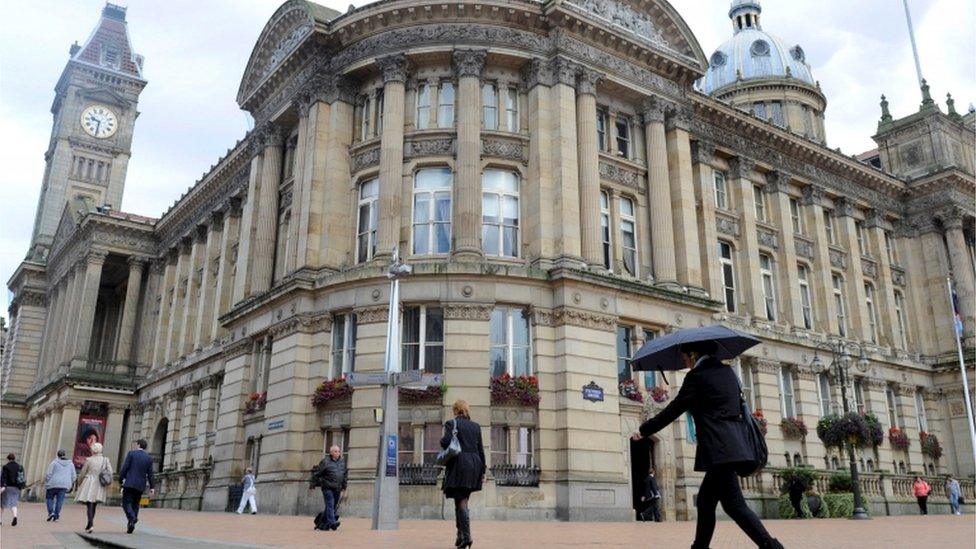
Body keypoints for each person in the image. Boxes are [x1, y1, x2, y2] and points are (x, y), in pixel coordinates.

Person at [632, 341, 783, 549]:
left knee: (734, 505)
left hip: (719, 449)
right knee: (706, 502)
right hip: (733, 446)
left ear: (693, 354)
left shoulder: (697, 376)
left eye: (685, 356)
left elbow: (674, 409)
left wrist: (644, 430)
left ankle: (772, 546)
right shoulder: (728, 373)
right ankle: (700, 547)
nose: (684, 361)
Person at [441, 399, 485, 549]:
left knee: (461, 501)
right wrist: (483, 471)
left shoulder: (451, 423)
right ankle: (460, 536)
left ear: (455, 410)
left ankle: (466, 537)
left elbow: (445, 442)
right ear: (467, 410)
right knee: (461, 498)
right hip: (474, 465)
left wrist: (445, 439)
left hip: (459, 464)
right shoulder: (475, 426)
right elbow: (481, 450)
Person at [118, 439, 155, 533]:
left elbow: (125, 468)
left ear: (138, 445)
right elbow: (150, 474)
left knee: (126, 503)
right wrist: (152, 487)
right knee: (135, 504)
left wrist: (120, 479)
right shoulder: (149, 458)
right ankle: (131, 525)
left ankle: (133, 518)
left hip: (129, 483)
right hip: (140, 485)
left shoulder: (131, 454)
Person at [75, 442, 112, 533]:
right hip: (99, 483)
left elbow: (83, 472)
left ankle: (90, 523)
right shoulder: (105, 460)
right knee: (94, 504)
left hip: (89, 482)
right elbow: (110, 471)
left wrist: (79, 482)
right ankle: (89, 523)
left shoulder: (89, 460)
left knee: (89, 504)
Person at [314, 446, 347, 531]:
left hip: (337, 488)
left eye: (338, 451)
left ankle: (320, 523)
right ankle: (332, 523)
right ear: (331, 452)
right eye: (335, 451)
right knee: (330, 504)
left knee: (331, 506)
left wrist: (344, 486)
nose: (337, 453)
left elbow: (344, 475)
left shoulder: (342, 462)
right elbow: (317, 473)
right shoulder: (325, 462)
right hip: (327, 488)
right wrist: (320, 482)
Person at [45, 449, 76, 522]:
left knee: (49, 498)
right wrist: (71, 482)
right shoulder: (71, 464)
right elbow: (74, 475)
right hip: (64, 485)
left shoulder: (54, 463)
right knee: (60, 501)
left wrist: (47, 480)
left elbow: (48, 474)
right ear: (64, 454)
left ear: (57, 455)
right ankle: (56, 516)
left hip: (53, 483)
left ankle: (51, 512)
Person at [1, 453, 26, 526]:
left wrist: (3, 486)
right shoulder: (19, 466)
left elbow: (4, 478)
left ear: (8, 459)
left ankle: (0, 520)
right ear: (14, 459)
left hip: (8, 487)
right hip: (17, 487)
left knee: (2, 505)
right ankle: (15, 516)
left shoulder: (5, 467)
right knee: (14, 504)